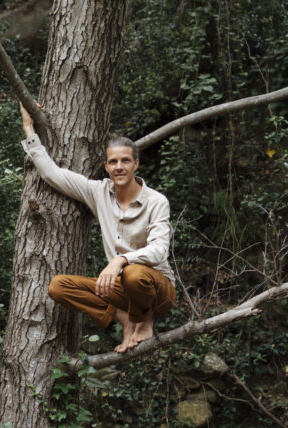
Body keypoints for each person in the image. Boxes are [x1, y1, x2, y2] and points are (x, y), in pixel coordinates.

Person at [19, 103, 176, 353]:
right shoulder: (99, 192)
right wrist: (29, 129)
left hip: (157, 290)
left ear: (136, 164)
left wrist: (119, 261)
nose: (119, 167)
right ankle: (126, 320)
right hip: (123, 289)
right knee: (59, 286)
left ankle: (145, 319)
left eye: (125, 160)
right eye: (113, 162)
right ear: (106, 167)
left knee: (133, 273)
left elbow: (158, 251)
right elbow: (53, 174)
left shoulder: (157, 201)